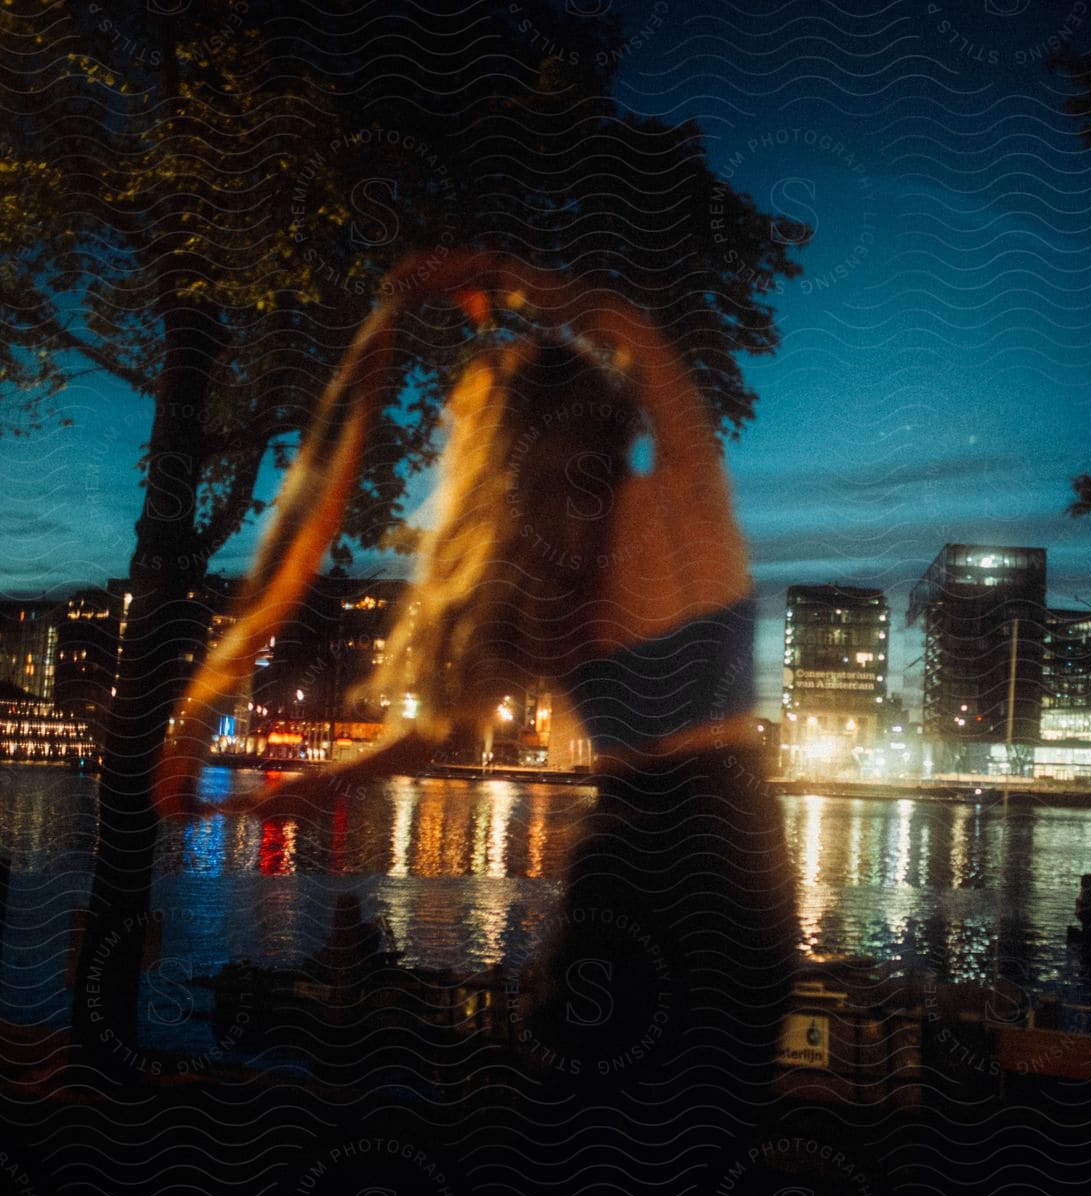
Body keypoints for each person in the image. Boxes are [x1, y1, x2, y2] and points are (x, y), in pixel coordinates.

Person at [155, 252, 798, 1101]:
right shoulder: (691, 486)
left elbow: (441, 735)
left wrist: (318, 785)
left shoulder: (542, 570)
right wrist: (504, 272)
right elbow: (627, 322)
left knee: (592, 1113)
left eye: (465, 429)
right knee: (713, 1113)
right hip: (747, 852)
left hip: (635, 853)